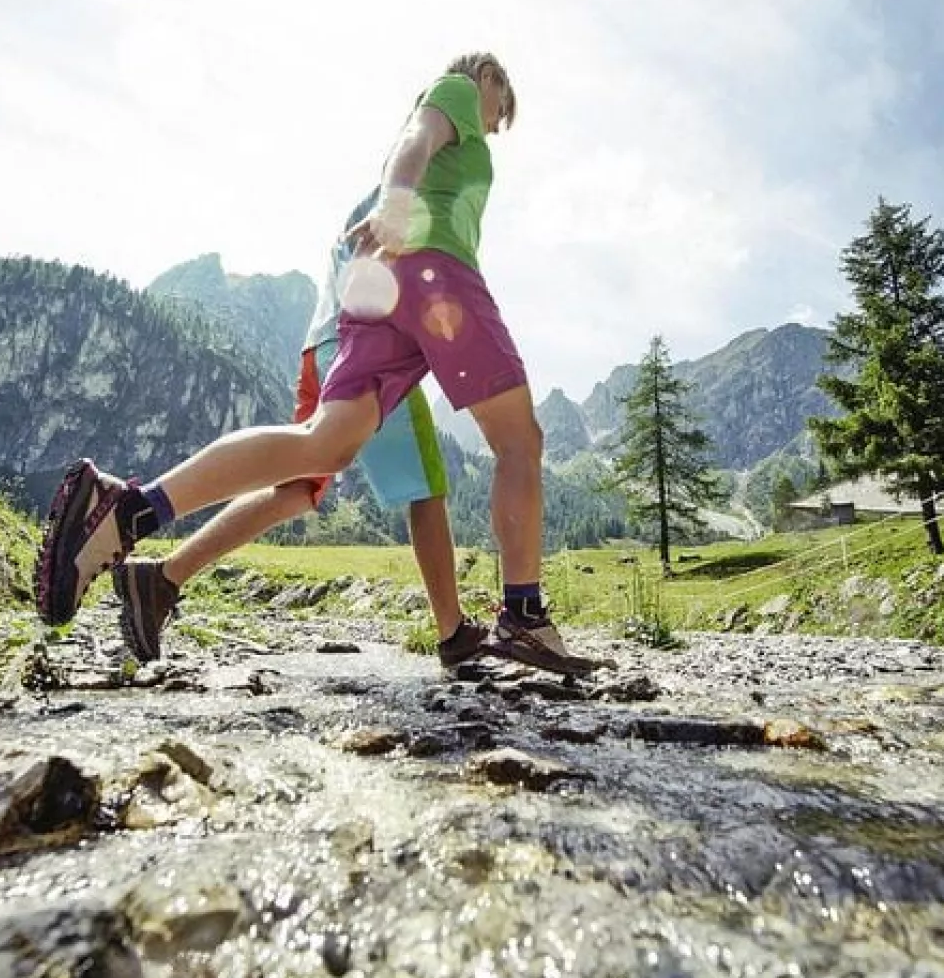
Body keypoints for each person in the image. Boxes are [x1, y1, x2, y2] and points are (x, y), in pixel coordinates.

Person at [34, 51, 601, 675]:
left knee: (321, 449)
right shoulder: (460, 90)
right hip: (431, 273)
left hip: (373, 299)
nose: (494, 126)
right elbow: (415, 138)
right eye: (500, 111)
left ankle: (133, 510)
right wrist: (397, 201)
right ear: (487, 80)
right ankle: (521, 616)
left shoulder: (436, 157)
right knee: (518, 440)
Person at [108, 188, 488, 668]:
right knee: (424, 488)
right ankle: (453, 631)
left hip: (320, 350)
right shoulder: (418, 177)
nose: (490, 129)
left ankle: (162, 578)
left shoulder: (387, 189)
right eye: (494, 114)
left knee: (297, 489)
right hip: (369, 351)